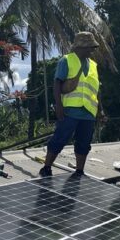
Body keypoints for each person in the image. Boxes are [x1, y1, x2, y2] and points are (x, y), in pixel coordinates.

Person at [38, 32, 106, 177]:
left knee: (84, 143)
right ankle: (47, 167)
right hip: (70, 110)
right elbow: (57, 83)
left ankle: (79, 170)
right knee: (60, 138)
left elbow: (96, 90)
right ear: (80, 47)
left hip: (88, 111)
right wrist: (59, 106)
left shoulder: (93, 65)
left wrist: (100, 110)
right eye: (89, 47)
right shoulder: (66, 60)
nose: (91, 50)